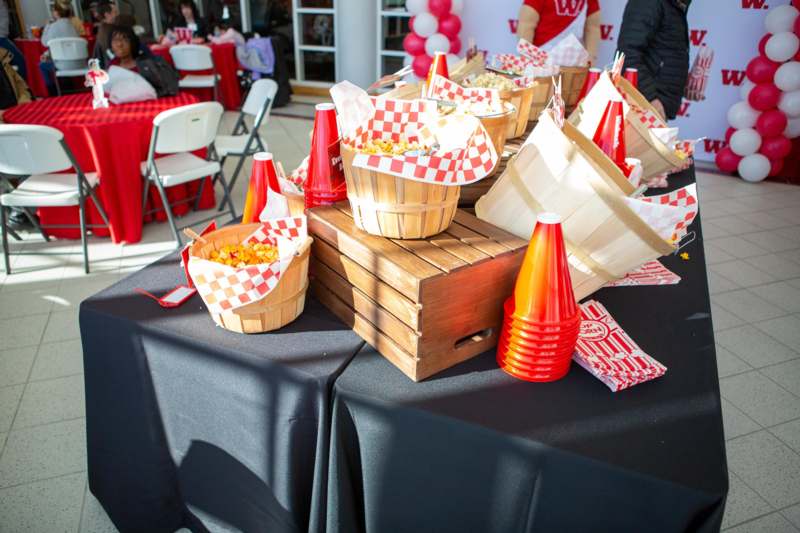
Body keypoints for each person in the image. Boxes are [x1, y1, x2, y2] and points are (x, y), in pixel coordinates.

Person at [617, 0, 691, 121]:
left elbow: (664, 52)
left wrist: (683, 80)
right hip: (643, 106)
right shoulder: (649, 2)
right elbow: (627, 55)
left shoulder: (675, 5)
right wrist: (650, 98)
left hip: (653, 106)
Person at [516, 0, 601, 64]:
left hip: (574, 60)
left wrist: (591, 57)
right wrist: (526, 57)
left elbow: (592, 27)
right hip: (542, 57)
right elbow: (526, 25)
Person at [108, 25, 179, 96]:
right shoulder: (112, 65)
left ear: (132, 42)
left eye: (125, 40)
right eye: (115, 41)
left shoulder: (146, 64)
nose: (119, 44)